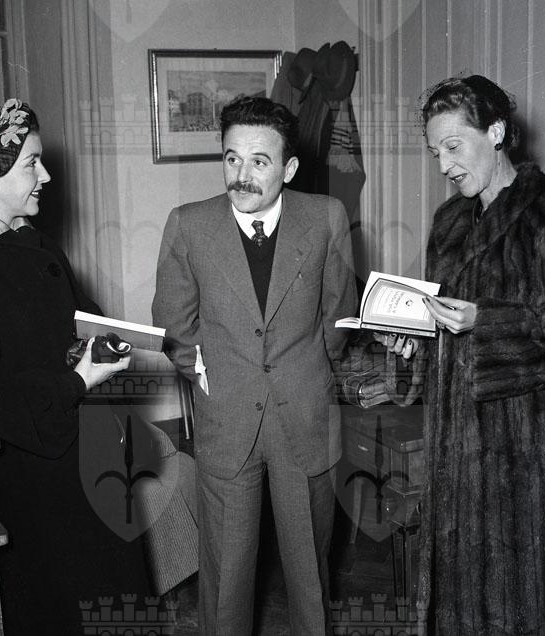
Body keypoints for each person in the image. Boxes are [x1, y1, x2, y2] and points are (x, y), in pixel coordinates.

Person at [361, 75, 545, 634]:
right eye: (436, 152)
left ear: (496, 132)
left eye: (453, 147)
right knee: (461, 597)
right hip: (456, 449)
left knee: (527, 600)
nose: (444, 166)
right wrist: (410, 341)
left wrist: (486, 322)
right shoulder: (449, 223)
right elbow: (443, 328)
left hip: (529, 451)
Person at [0, 99, 150, 634]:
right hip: (28, 477)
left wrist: (105, 343)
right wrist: (76, 379)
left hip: (86, 455)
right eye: (32, 163)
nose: (47, 176)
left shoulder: (33, 240)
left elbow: (75, 319)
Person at [152, 95, 358, 635]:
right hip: (227, 423)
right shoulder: (188, 225)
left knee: (310, 577)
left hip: (305, 418)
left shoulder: (326, 218)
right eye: (231, 158)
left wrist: (310, 373)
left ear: (288, 169)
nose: (241, 175)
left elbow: (338, 317)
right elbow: (174, 326)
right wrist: (210, 375)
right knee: (227, 580)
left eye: (259, 161)